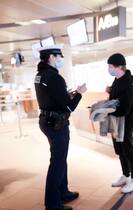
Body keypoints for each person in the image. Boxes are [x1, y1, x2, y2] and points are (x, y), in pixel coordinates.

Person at [34, 45, 87, 210]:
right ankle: (52, 204)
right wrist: (79, 93)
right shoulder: (55, 77)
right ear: (50, 57)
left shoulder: (40, 75)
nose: (61, 59)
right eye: (59, 56)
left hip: (46, 120)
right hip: (57, 124)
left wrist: (67, 95)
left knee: (59, 159)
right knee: (57, 162)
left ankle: (62, 192)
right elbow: (68, 107)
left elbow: (53, 97)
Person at [106, 53, 133, 193]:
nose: (109, 69)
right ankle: (126, 175)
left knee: (128, 149)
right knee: (120, 150)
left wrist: (107, 109)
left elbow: (124, 108)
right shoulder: (117, 80)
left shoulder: (127, 84)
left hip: (125, 121)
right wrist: (111, 91)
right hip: (116, 120)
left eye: (110, 67)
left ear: (120, 67)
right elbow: (117, 97)